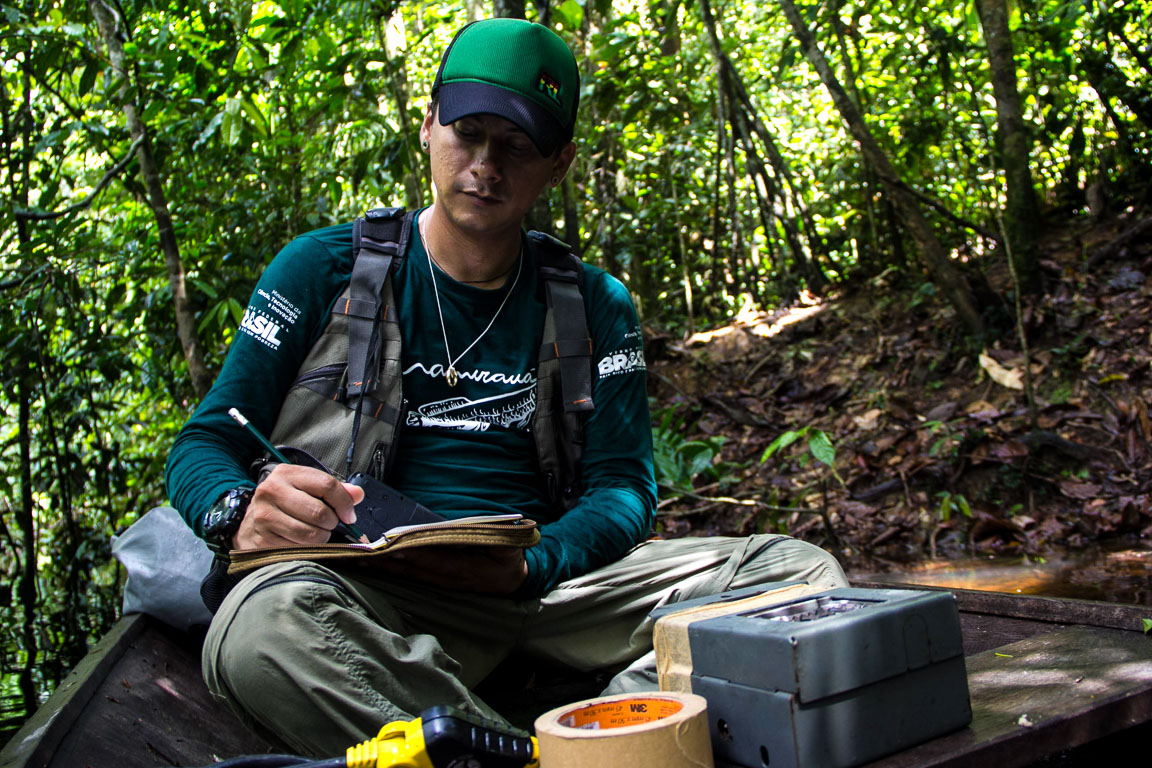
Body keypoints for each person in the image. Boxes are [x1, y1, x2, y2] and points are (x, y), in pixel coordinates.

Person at [165, 17, 847, 757]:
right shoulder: (321, 270)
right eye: (468, 133)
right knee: (258, 634)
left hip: (545, 584)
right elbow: (208, 442)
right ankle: (557, 751)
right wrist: (237, 511)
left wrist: (532, 563)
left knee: (797, 574)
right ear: (428, 125)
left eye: (517, 146)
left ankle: (586, 731)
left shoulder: (593, 304)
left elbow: (623, 490)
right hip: (377, 593)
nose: (485, 166)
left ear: (559, 163)